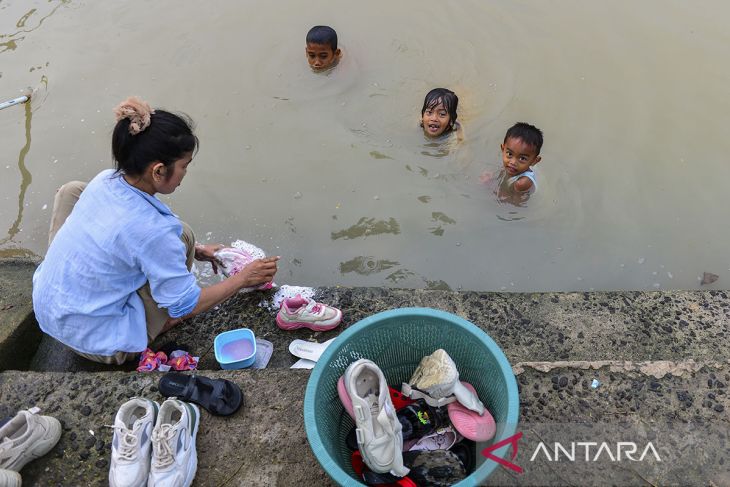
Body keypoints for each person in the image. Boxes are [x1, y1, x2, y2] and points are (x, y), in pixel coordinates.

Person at [32, 96, 279, 365]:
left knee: (73, 190)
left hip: (48, 313)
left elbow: (132, 237)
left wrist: (197, 252)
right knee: (182, 236)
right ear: (159, 171)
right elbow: (188, 304)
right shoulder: (155, 232)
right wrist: (243, 278)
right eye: (184, 166)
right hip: (100, 344)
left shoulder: (105, 180)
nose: (185, 173)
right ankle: (157, 326)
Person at [496, 122, 543, 194]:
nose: (513, 162)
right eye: (510, 154)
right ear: (503, 149)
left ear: (534, 161)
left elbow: (517, 204)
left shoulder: (522, 183)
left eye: (522, 158)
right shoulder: (513, 167)